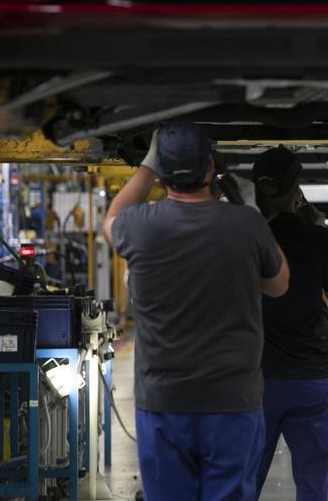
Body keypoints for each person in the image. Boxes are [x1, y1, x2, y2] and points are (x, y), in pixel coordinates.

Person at [103, 122, 289, 500]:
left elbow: (110, 219)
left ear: (163, 174)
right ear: (210, 169)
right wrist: (251, 218)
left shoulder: (139, 226)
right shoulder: (247, 224)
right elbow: (279, 284)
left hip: (164, 402)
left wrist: (147, 166)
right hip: (232, 401)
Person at [252, 147, 328, 500]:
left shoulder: (251, 237)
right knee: (312, 484)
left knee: (246, 479)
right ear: (297, 190)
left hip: (259, 380)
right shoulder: (318, 237)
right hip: (311, 377)